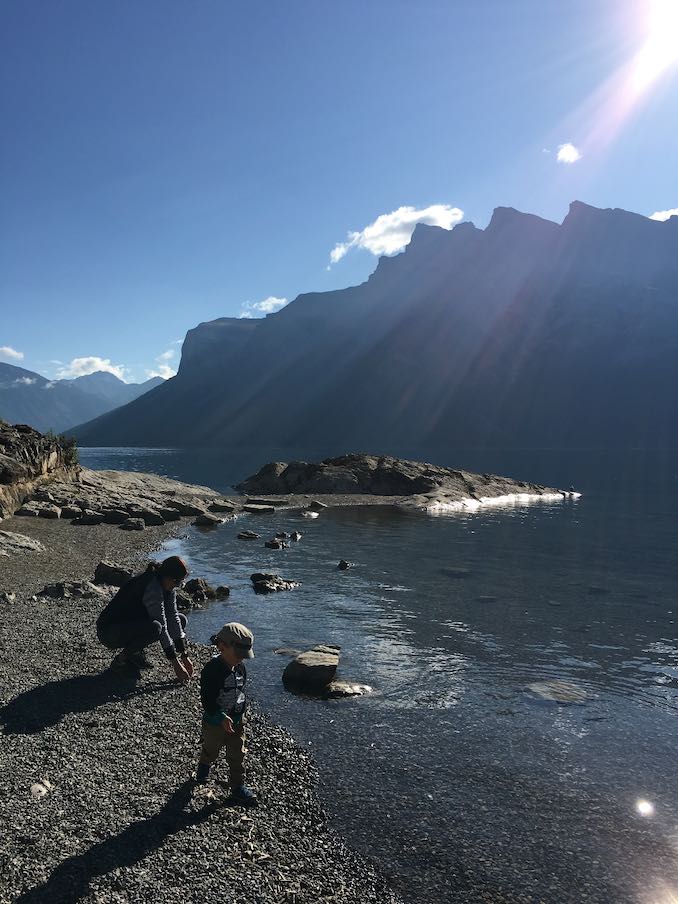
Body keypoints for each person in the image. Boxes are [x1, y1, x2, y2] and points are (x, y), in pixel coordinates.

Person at [96, 555, 193, 681]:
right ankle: (120, 661)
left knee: (181, 619)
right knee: (156, 628)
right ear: (167, 576)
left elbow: (173, 616)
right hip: (109, 632)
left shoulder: (166, 585)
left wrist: (184, 655)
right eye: (176, 582)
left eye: (180, 582)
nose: (177, 585)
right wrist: (176, 664)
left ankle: (135, 653)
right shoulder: (152, 587)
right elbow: (162, 626)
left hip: (129, 625)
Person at [195, 622, 257, 806]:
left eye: (244, 657)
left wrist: (240, 711)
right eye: (238, 655)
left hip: (237, 722)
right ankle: (204, 766)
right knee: (211, 748)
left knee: (238, 754)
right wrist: (220, 715)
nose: (241, 659)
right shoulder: (212, 669)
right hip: (215, 722)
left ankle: (237, 786)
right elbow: (207, 698)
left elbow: (239, 690)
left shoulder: (240, 668)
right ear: (222, 647)